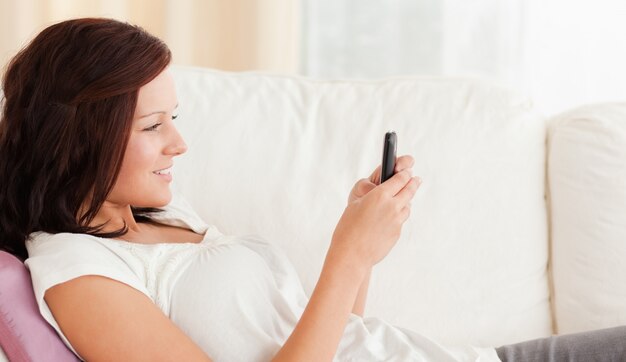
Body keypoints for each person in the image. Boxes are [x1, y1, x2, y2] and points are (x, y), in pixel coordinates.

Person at [0, 18, 624, 362]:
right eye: (153, 125)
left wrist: (360, 250)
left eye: (175, 117)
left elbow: (331, 342)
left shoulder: (157, 215)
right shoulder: (81, 274)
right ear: (80, 135)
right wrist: (345, 255)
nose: (178, 145)